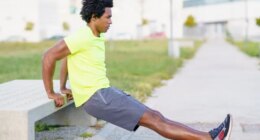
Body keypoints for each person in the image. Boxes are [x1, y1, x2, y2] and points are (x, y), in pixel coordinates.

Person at [42, 0, 232, 139]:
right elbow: (49, 56)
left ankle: (210, 136)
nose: (111, 21)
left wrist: (65, 87)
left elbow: (67, 57)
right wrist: (51, 92)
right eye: (108, 17)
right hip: (97, 97)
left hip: (102, 93)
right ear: (94, 17)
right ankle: (210, 138)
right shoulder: (83, 36)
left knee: (156, 117)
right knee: (154, 121)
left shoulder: (93, 36)